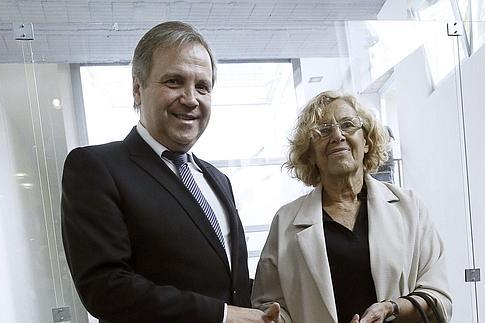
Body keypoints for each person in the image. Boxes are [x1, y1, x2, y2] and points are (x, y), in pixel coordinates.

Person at [61, 21, 279, 323]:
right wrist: (222, 316)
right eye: (174, 82)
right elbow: (105, 288)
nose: (191, 99)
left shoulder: (217, 180)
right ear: (138, 89)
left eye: (202, 86)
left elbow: (227, 283)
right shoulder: (96, 167)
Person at [251, 91, 451, 323]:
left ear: (366, 141)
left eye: (348, 125)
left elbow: (438, 296)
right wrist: (273, 318)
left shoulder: (409, 208)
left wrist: (391, 308)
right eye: (323, 131)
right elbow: (269, 304)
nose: (337, 135)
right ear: (311, 153)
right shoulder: (286, 221)